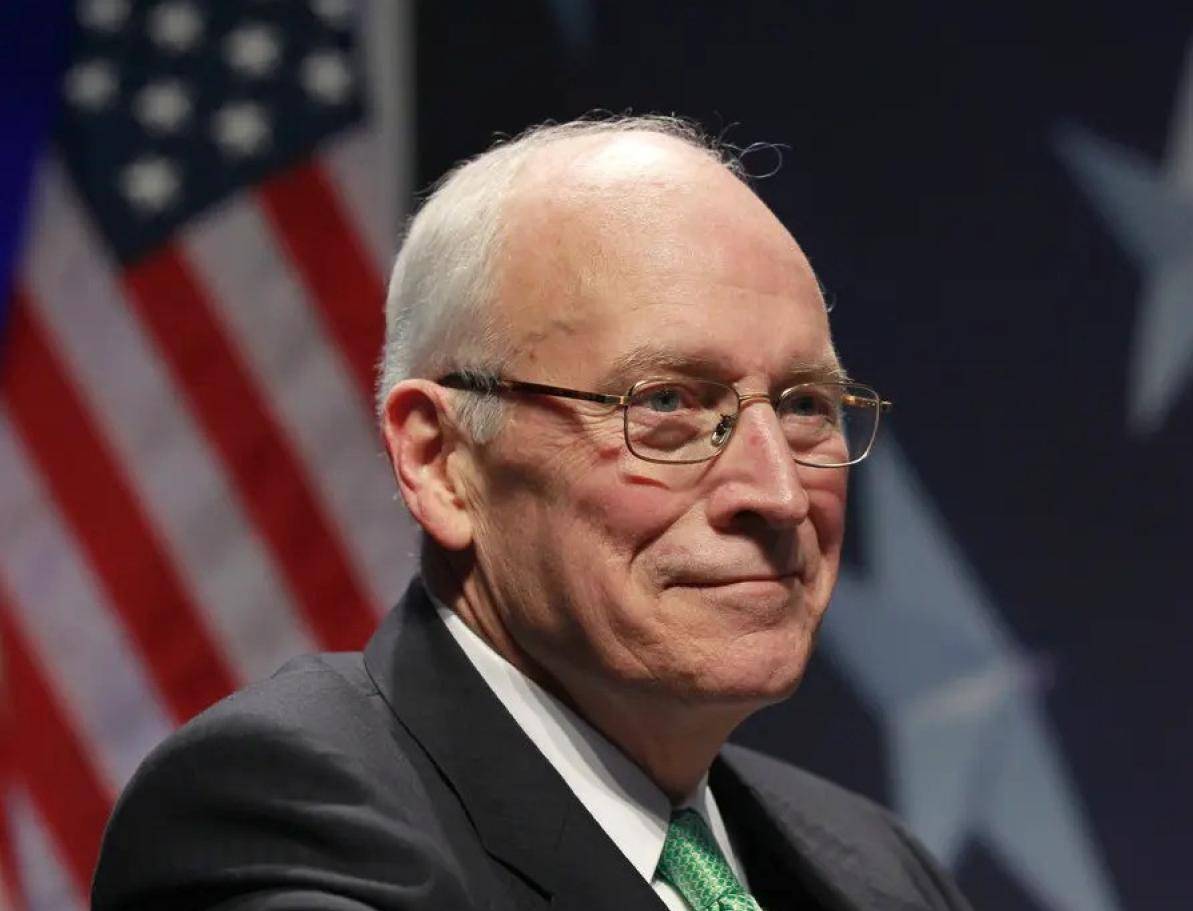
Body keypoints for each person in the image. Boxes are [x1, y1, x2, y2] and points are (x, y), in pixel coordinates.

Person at [92, 116, 973, 911]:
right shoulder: (277, 817)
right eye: (666, 402)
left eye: (805, 405)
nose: (778, 493)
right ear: (441, 461)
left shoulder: (879, 869)